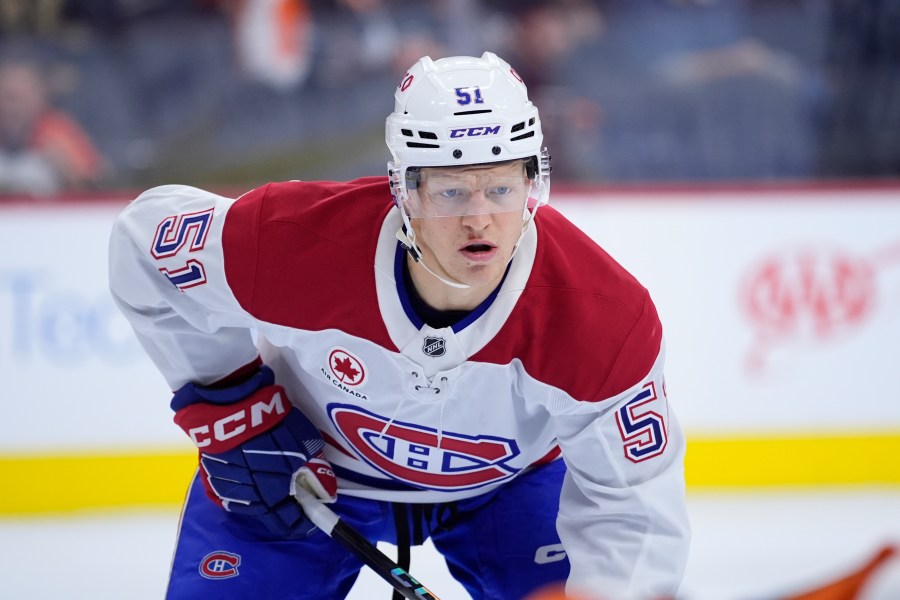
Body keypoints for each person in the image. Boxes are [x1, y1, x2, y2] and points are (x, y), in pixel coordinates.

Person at [109, 52, 690, 599]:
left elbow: (632, 518)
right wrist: (233, 410)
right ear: (405, 191)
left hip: (507, 489)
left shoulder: (602, 319)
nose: (480, 218)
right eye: (452, 191)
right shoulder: (298, 244)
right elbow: (145, 244)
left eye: (502, 187)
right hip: (300, 474)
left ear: (534, 183)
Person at [0, 59, 106, 196]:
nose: (15, 108)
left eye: (23, 98)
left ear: (40, 98)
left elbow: (95, 187)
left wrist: (69, 172)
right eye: (9, 97)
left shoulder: (59, 133)